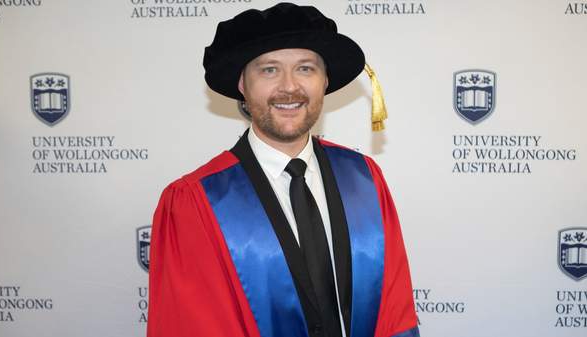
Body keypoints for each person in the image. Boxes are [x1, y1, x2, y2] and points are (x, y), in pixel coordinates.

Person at [147, 3, 419, 337]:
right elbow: (194, 326)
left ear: (325, 81)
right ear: (242, 85)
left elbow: (395, 313)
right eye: (269, 70)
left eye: (305, 69)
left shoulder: (363, 179)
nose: (289, 87)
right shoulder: (196, 201)